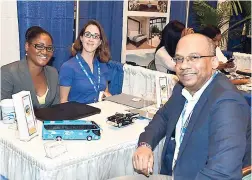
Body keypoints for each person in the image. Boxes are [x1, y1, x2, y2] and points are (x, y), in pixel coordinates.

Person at [133, 34, 251, 179]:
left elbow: (222, 174)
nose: (183, 65)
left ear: (214, 62)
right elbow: (163, 117)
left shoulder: (227, 103)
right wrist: (145, 144)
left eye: (194, 57)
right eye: (179, 59)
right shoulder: (183, 87)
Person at [1, 26, 60, 108]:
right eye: (39, 46)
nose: (45, 52)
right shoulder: (8, 73)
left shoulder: (53, 73)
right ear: (27, 46)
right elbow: (2, 111)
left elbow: (56, 107)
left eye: (49, 48)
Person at [59, 20, 112, 104]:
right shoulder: (68, 67)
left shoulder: (103, 66)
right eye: (87, 35)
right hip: (78, 115)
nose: (91, 39)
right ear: (81, 38)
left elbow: (105, 93)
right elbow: (63, 101)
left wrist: (109, 97)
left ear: (100, 42)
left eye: (95, 36)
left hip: (100, 114)